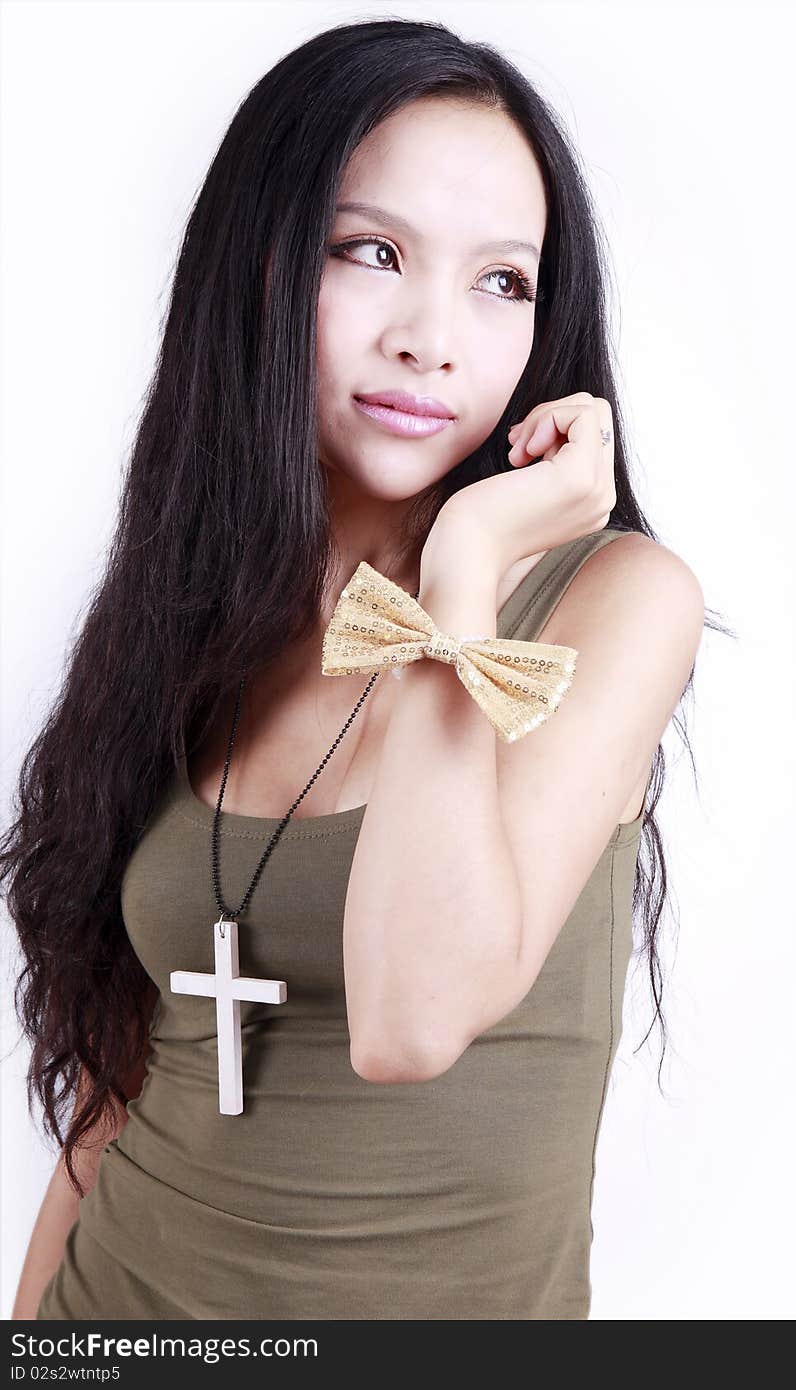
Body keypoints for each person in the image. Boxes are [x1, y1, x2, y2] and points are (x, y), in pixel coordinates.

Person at [5, 18, 716, 1321]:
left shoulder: (616, 602)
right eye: (372, 252)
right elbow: (114, 1102)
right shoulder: (200, 615)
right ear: (263, 267)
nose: (433, 336)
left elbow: (412, 1019)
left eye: (503, 280)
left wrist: (468, 562)